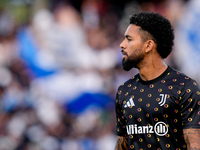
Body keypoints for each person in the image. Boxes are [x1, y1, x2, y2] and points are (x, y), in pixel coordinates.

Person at [115, 12, 200, 150]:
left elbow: (195, 145)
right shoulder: (124, 91)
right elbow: (122, 144)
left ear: (148, 46)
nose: (122, 45)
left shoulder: (185, 88)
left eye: (129, 39)